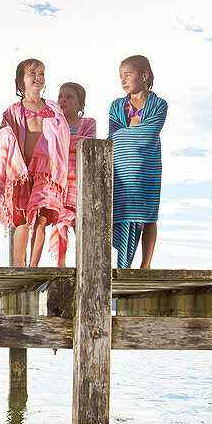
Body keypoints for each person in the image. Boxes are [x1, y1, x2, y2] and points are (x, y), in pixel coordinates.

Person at [0, 59, 70, 266]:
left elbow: (64, 136)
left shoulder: (52, 108)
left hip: (46, 171)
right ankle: (19, 266)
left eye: (41, 73)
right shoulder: (14, 110)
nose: (38, 78)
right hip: (22, 170)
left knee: (41, 218)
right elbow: (3, 133)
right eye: (32, 74)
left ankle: (33, 266)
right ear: (20, 80)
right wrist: (5, 134)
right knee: (22, 219)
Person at [109, 56, 167, 269]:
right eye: (120, 77)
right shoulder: (116, 106)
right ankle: (124, 264)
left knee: (149, 215)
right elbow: (112, 138)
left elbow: (149, 132)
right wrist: (125, 136)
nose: (123, 81)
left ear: (144, 76)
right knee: (124, 212)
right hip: (123, 170)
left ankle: (146, 264)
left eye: (128, 75)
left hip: (147, 166)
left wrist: (125, 135)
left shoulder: (158, 104)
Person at [52, 82, 97, 266]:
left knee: (81, 222)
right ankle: (60, 263)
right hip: (60, 181)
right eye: (60, 96)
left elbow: (89, 145)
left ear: (80, 105)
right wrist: (71, 142)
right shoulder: (53, 122)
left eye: (69, 97)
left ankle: (85, 262)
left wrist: (66, 142)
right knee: (60, 221)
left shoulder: (88, 122)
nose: (62, 100)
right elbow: (51, 145)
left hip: (81, 181)